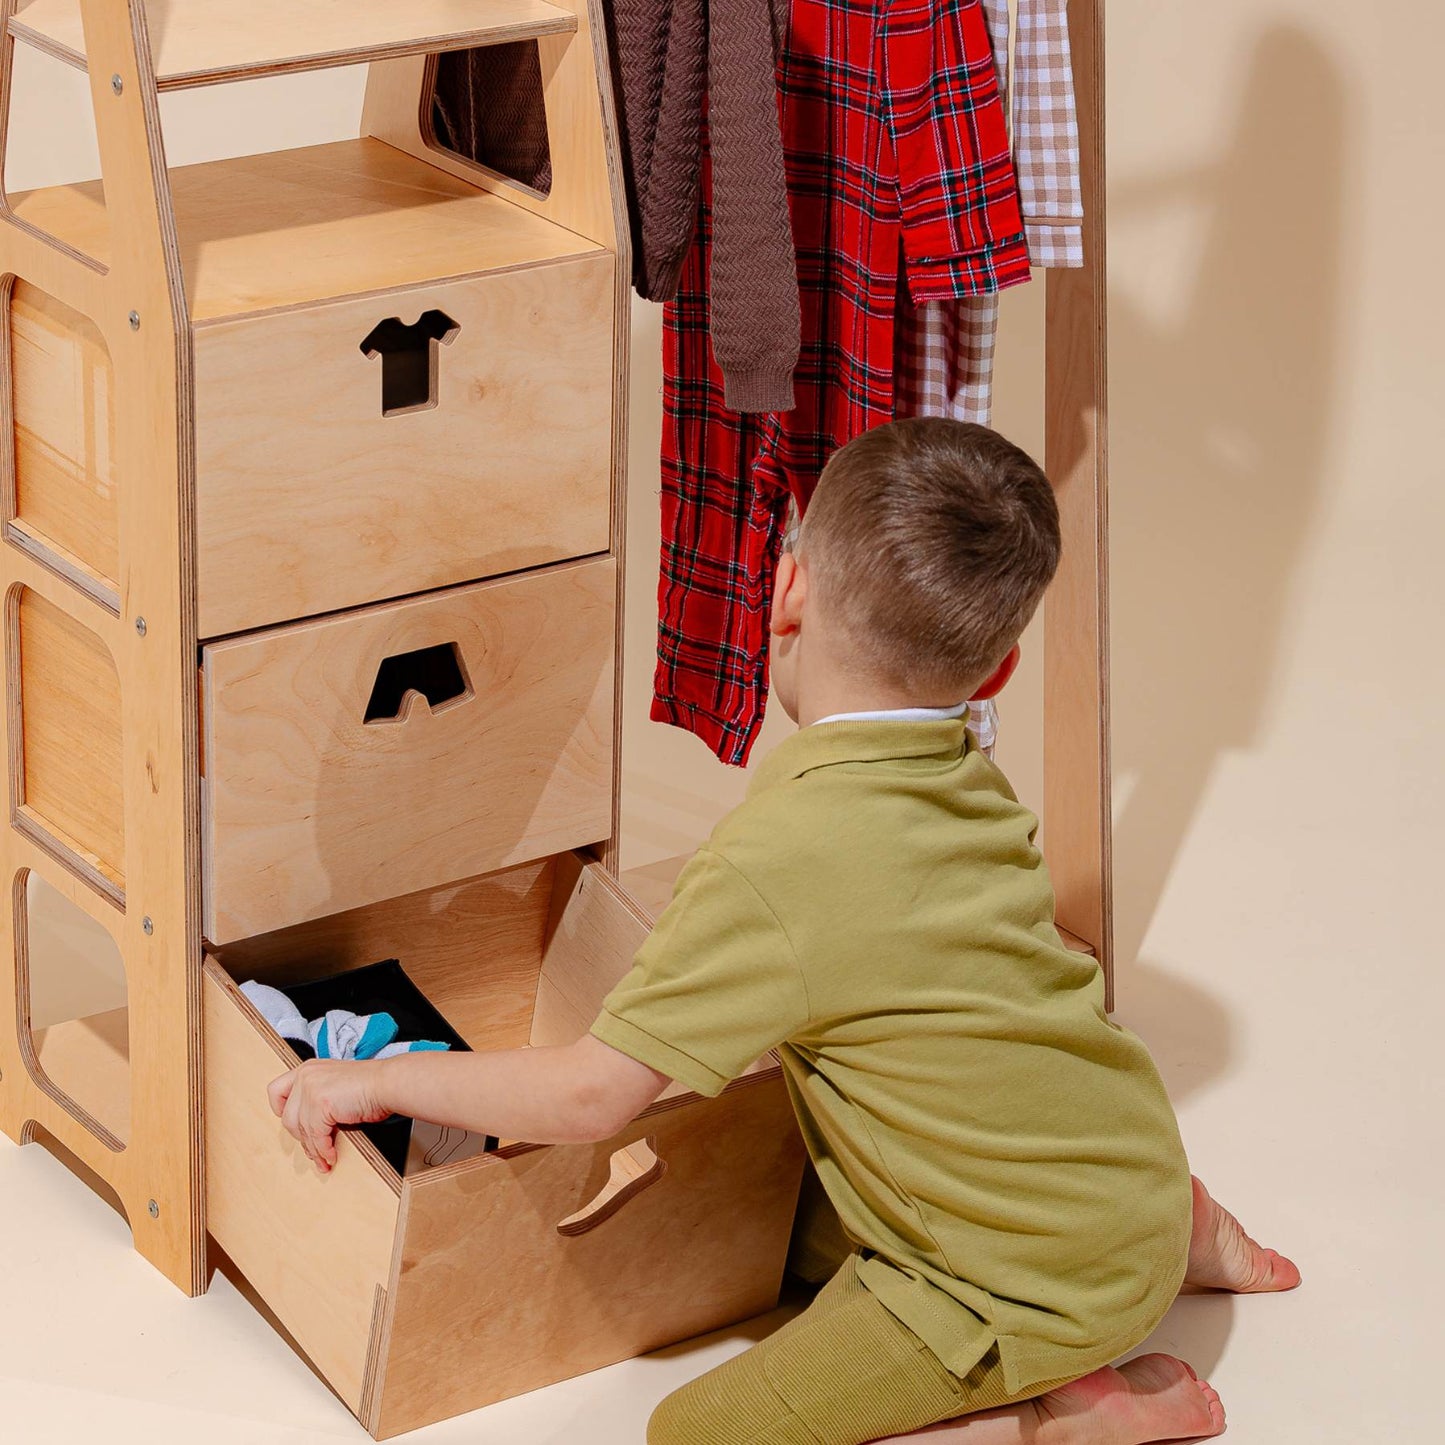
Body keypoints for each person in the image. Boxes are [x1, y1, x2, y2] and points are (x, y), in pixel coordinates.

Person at [269, 420, 1300, 1444]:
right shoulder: (960, 776)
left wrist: (373, 1079)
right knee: (781, 1219)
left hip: (1015, 1285)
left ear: (787, 586)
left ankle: (1057, 1420)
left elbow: (590, 1094)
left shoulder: (775, 861)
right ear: (994, 675)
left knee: (700, 1435)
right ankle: (1181, 1238)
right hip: (1130, 1174)